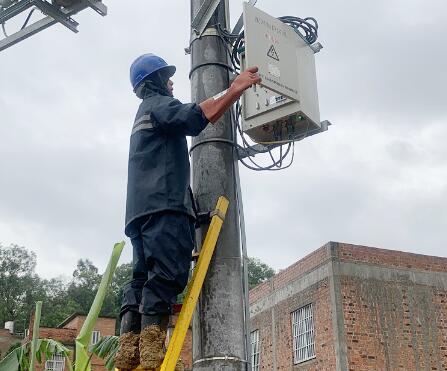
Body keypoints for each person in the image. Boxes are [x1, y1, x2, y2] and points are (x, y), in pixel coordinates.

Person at [114, 53, 261, 370]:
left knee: (140, 279)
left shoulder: (142, 113)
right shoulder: (158, 105)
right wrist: (234, 89)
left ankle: (128, 352)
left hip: (140, 214)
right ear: (153, 82)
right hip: (165, 207)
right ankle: (153, 357)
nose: (171, 83)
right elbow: (195, 117)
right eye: (166, 77)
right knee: (167, 275)